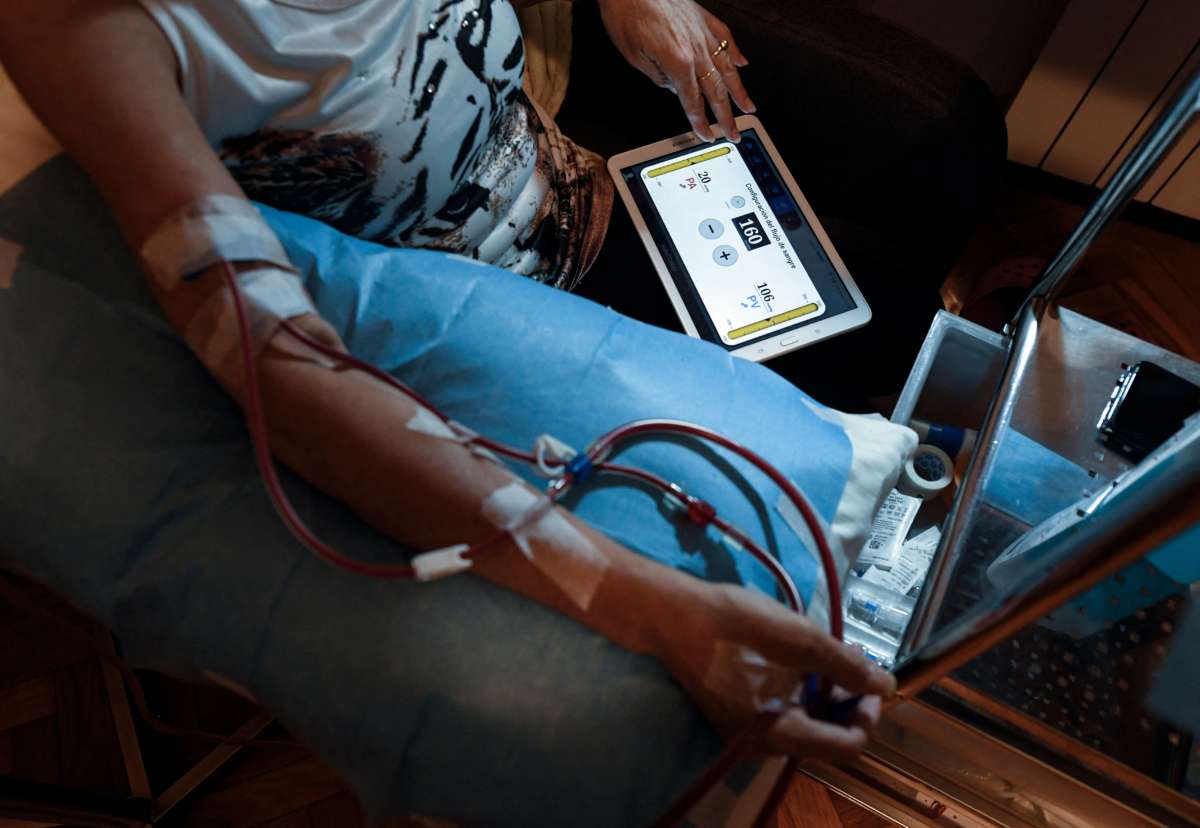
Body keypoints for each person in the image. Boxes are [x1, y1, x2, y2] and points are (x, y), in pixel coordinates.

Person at [0, 0, 1000, 778]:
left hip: (590, 181)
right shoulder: (81, 26)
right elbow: (270, 360)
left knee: (902, 301)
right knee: (883, 415)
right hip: (503, 303)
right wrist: (649, 609)